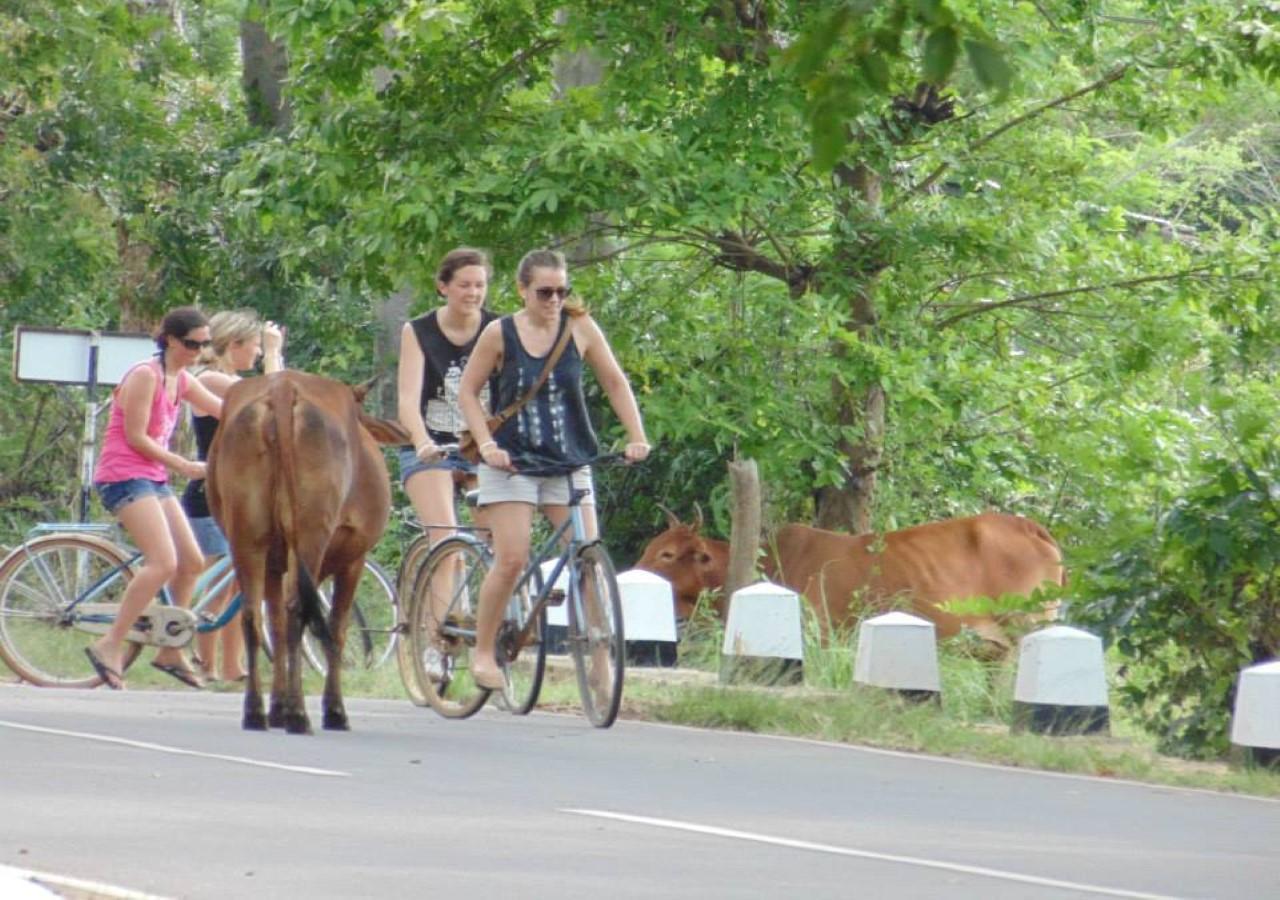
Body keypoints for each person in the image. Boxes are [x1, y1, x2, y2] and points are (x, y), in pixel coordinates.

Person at [458, 248, 650, 690]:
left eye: (562, 291)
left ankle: (600, 660)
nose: (554, 300)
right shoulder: (499, 333)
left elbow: (615, 382)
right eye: (544, 292)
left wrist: (636, 436)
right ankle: (484, 652)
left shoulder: (579, 328)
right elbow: (468, 392)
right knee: (512, 558)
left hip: (568, 460)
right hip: (512, 462)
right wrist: (486, 444)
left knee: (588, 558)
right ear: (523, 290)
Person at [84, 306, 225, 690]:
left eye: (205, 345)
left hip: (154, 478)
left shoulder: (181, 379)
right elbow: (136, 437)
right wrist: (183, 464)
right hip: (124, 476)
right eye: (191, 344)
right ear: (169, 340)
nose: (197, 351)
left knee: (192, 562)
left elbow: (223, 410)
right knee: (163, 562)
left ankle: (168, 647)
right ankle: (110, 644)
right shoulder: (145, 375)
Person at [181, 309, 284, 683]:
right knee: (218, 586)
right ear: (234, 344)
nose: (258, 353)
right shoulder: (211, 379)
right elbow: (276, 396)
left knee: (241, 583)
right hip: (210, 493)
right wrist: (275, 354)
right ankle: (206, 664)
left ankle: (231, 665)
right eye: (255, 346)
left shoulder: (235, 382)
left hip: (237, 493)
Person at [396, 246, 498, 545]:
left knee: (500, 542)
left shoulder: (498, 328)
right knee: (446, 540)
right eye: (464, 285)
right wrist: (422, 442)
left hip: (483, 446)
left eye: (480, 285)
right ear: (443, 287)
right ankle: (439, 581)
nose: (473, 293)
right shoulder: (417, 331)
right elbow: (407, 401)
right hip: (432, 444)